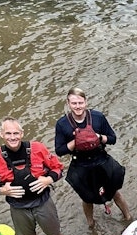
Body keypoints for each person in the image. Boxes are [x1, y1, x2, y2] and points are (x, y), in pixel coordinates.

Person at [54, 87, 132, 227]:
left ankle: (128, 217)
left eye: (80, 102)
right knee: (87, 198)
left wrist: (98, 137)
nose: (78, 106)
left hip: (101, 160)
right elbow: (59, 151)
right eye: (74, 103)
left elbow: (112, 139)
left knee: (114, 192)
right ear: (68, 103)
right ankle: (91, 224)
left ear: (86, 102)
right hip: (81, 165)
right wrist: (76, 142)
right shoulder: (62, 124)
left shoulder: (98, 117)